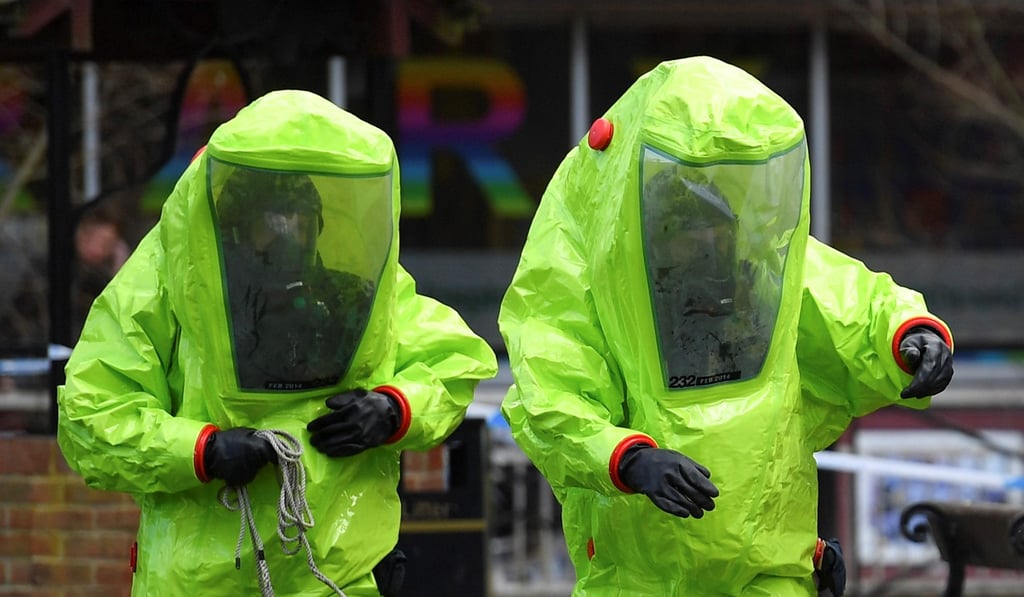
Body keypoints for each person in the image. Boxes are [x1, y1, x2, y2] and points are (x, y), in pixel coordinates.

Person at [498, 56, 953, 596]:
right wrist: (629, 460)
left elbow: (845, 303)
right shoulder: (593, 281)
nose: (706, 241)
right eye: (682, 225)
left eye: (713, 225)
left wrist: (908, 336)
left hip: (770, 563)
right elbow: (552, 394)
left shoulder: (756, 277)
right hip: (646, 576)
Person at [57, 89, 498, 596]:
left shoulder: (355, 295)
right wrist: (201, 451)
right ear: (231, 227)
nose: (288, 239)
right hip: (202, 581)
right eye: (270, 225)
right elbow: (91, 419)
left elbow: (454, 361)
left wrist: (394, 410)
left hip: (338, 574)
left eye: (300, 222)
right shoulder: (163, 287)